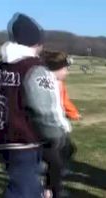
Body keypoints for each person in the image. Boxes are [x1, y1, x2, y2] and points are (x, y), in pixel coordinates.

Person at [0, 13, 69, 197]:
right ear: (36, 42)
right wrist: (57, 137)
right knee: (23, 190)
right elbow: (45, 111)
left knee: (28, 185)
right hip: (23, 139)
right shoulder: (35, 69)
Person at [41, 50, 79, 197]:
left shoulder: (57, 83)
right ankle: (51, 191)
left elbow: (61, 104)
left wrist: (71, 114)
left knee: (62, 156)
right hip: (48, 131)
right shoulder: (46, 84)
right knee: (54, 163)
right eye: (65, 68)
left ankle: (52, 189)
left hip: (56, 129)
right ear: (56, 68)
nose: (67, 72)